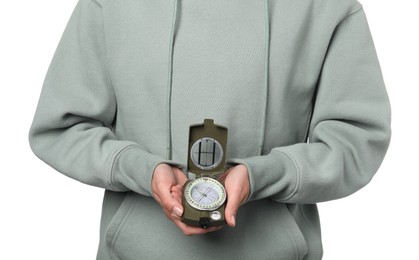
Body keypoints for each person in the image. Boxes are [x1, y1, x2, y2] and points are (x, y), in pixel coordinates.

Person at [29, 0, 391, 259]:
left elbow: (357, 139)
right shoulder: (107, 5)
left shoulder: (330, 7)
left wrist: (262, 174)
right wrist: (140, 168)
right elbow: (62, 127)